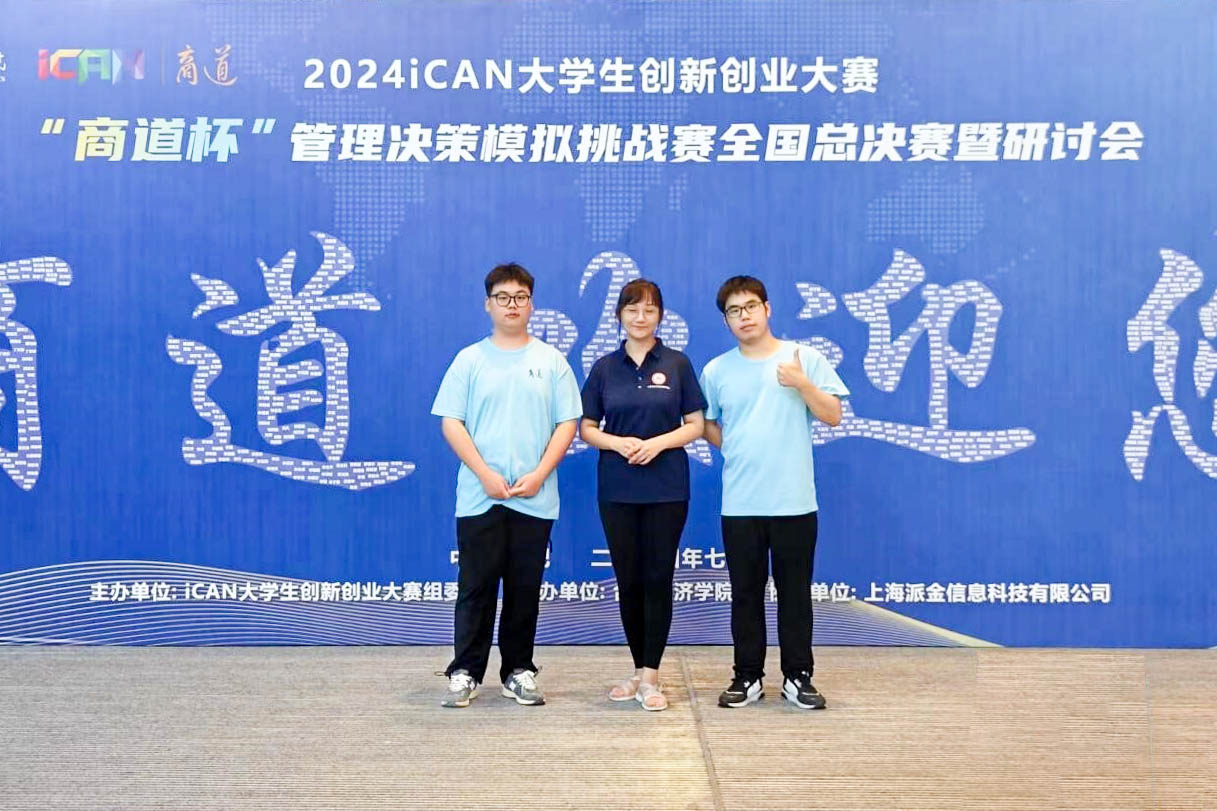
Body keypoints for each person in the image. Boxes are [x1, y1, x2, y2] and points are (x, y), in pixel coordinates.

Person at [430, 262, 581, 708]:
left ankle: (519, 670)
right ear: (488, 305)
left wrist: (539, 474)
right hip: (481, 495)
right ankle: (465, 672)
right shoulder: (470, 360)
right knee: (475, 587)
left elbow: (567, 423)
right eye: (503, 297)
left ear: (531, 304)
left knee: (523, 589)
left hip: (534, 496)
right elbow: (451, 422)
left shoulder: (551, 362)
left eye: (520, 297)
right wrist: (484, 474)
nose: (512, 305)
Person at [698, 275, 849, 710]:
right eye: (733, 311)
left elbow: (834, 414)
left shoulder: (803, 357)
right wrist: (734, 447)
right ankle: (747, 676)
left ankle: (798, 677)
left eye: (750, 307)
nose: (743, 316)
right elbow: (704, 421)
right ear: (726, 321)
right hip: (741, 502)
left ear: (767, 309)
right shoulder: (716, 370)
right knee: (745, 593)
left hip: (794, 500)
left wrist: (802, 383)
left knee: (795, 593)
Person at [579, 280, 706, 712]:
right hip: (617, 487)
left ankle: (651, 676)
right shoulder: (604, 368)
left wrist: (658, 444)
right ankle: (638, 670)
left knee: (657, 578)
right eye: (632, 309)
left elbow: (696, 424)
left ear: (660, 316)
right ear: (619, 315)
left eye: (649, 310)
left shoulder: (677, 364)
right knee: (628, 580)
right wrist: (618, 443)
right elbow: (586, 427)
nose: (640, 317)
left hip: (666, 487)